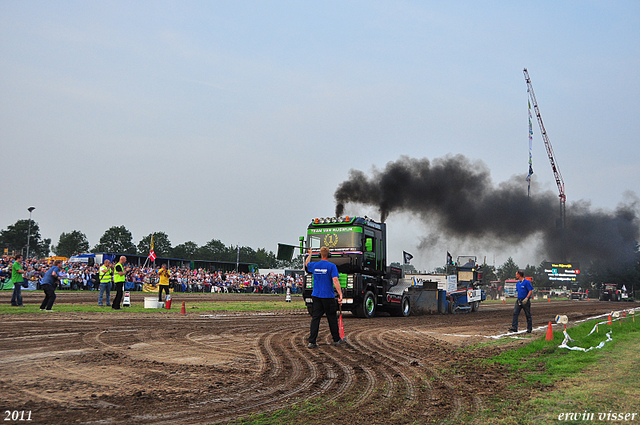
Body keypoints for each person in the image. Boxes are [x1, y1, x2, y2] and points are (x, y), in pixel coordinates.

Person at [305, 247, 345, 348]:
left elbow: (306, 264)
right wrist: (340, 294)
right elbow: (335, 280)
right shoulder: (332, 266)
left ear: (320, 255)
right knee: (331, 318)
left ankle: (312, 341)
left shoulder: (314, 265)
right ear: (329, 255)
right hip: (328, 296)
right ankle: (336, 339)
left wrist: (310, 254)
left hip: (316, 296)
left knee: (315, 318)